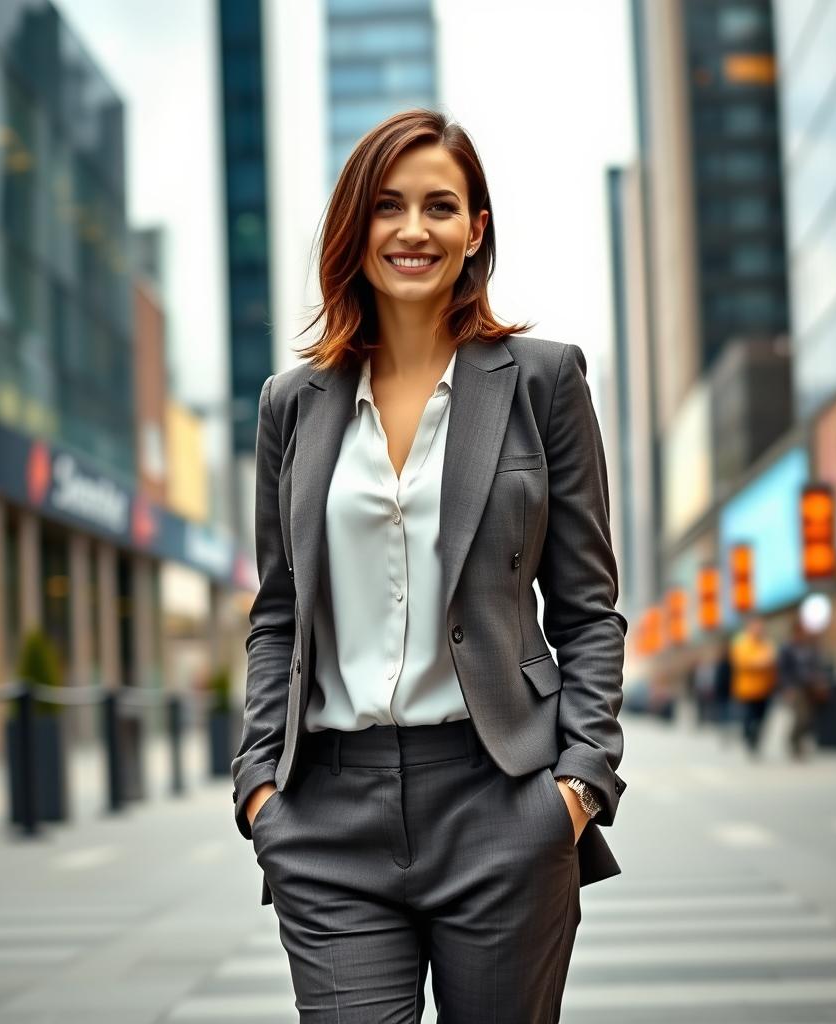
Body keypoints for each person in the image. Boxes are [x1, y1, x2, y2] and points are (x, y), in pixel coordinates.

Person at [231, 109, 628, 1022]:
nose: (413, 230)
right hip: (327, 815)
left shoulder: (542, 381)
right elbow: (280, 608)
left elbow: (587, 606)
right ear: (353, 227)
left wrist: (577, 787)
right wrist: (260, 788)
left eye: (440, 206)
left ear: (475, 229)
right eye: (387, 206)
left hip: (502, 800)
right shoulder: (291, 404)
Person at [778, 619, 828, 760]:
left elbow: (816, 665)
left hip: (810, 686)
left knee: (809, 718)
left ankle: (798, 741)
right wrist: (787, 688)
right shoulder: (787, 648)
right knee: (801, 716)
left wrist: (820, 681)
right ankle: (794, 742)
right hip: (795, 686)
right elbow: (783, 670)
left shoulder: (809, 647)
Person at [729, 615, 778, 756]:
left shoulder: (767, 643)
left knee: (762, 718)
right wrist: (760, 662)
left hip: (765, 688)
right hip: (747, 689)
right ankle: (749, 739)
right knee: (749, 718)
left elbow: (772, 660)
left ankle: (755, 740)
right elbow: (742, 662)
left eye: (760, 626)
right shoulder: (742, 643)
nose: (759, 629)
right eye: (756, 626)